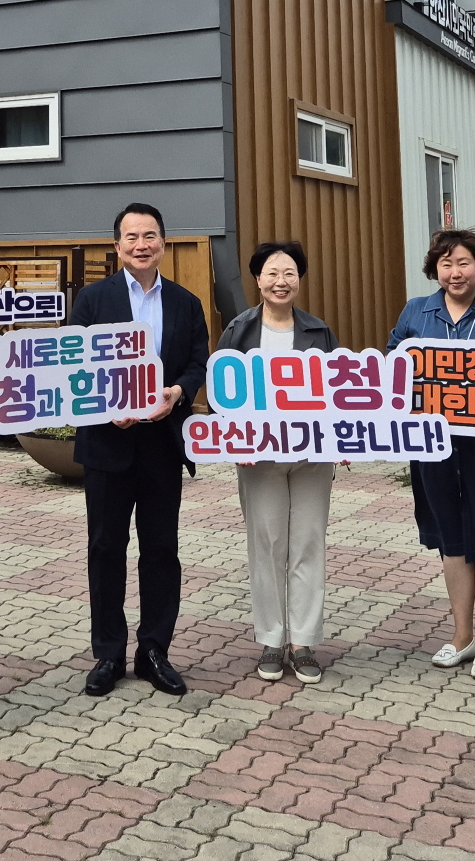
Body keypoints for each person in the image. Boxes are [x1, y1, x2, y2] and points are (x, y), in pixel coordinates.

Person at [72, 203, 209, 697]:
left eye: (150, 235)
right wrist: (105, 405)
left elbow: (199, 362)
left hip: (161, 444)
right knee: (106, 549)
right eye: (131, 237)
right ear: (117, 246)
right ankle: (108, 653)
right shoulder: (92, 300)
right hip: (109, 443)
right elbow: (76, 366)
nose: (140, 244)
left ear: (163, 244)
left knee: (160, 550)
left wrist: (178, 392)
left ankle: (154, 650)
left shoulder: (186, 303)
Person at [390, 228, 475, 681]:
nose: (455, 272)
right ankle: (461, 634)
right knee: (452, 539)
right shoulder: (415, 311)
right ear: (435, 269)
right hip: (433, 446)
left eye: (463, 263)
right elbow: (393, 368)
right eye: (446, 264)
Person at [216, 241, 338, 685]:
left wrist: (340, 438)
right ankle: (271, 638)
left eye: (289, 273)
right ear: (257, 279)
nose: (280, 281)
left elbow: (340, 393)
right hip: (258, 459)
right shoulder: (238, 330)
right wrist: (233, 441)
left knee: (307, 544)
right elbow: (219, 394)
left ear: (299, 279)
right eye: (271, 273)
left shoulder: (319, 331)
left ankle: (303, 642)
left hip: (311, 458)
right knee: (267, 548)